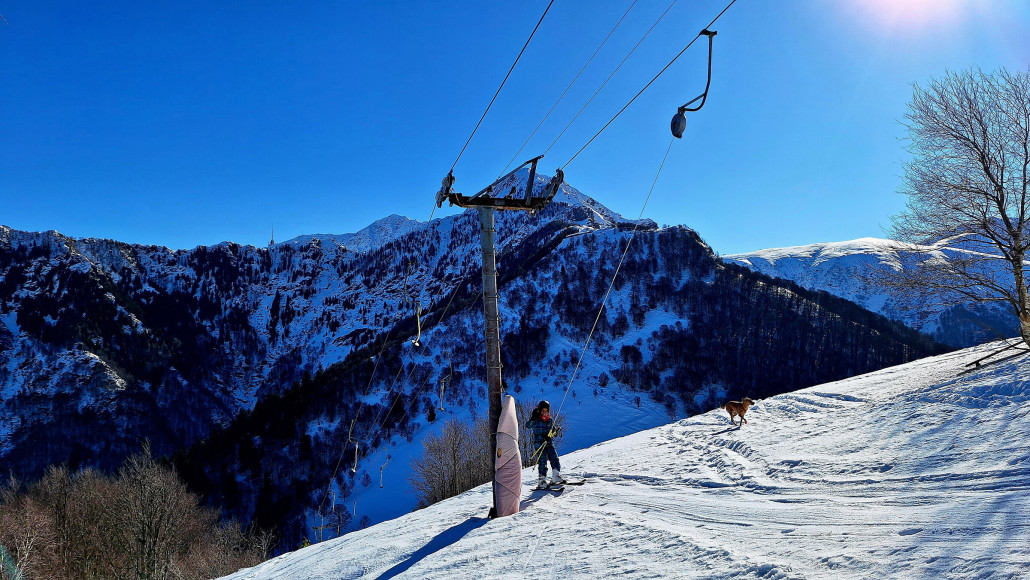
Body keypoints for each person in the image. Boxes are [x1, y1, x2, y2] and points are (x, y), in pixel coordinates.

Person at [526, 400, 563, 489]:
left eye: (546, 411)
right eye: (543, 411)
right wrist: (532, 418)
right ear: (539, 410)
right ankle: (542, 480)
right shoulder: (536, 419)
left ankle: (555, 476)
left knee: (554, 457)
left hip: (549, 442)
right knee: (542, 460)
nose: (544, 413)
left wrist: (554, 431)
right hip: (539, 443)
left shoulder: (550, 420)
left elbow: (552, 430)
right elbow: (528, 426)